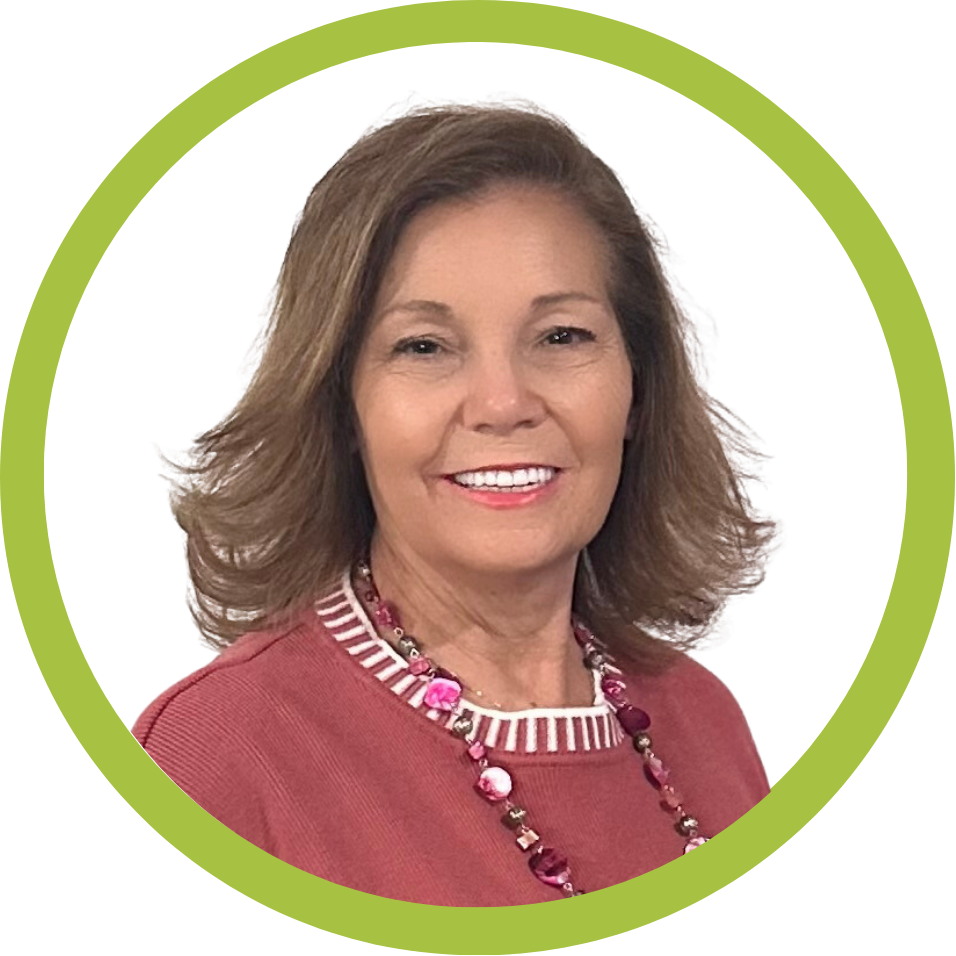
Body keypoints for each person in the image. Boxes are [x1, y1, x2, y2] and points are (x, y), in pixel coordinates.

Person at [133, 102, 775, 906]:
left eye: (563, 336)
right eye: (424, 347)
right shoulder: (215, 756)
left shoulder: (704, 720)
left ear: (640, 386)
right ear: (343, 406)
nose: (503, 403)